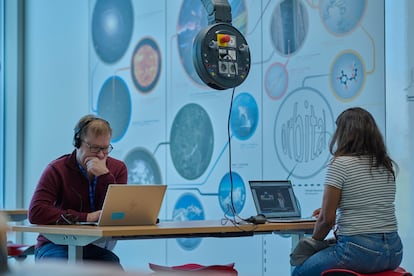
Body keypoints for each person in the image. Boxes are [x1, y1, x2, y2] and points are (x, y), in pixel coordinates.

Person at [292, 107, 403, 275]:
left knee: (300, 271)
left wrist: (313, 243)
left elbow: (326, 221)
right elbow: (370, 203)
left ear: (343, 134)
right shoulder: (385, 165)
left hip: (359, 252)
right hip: (394, 251)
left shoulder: (340, 164)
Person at [28, 114, 128, 267]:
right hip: (54, 244)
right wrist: (86, 217)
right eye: (95, 148)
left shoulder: (117, 169)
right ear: (77, 143)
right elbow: (36, 212)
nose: (101, 155)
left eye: (106, 148)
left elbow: (117, 212)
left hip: (92, 245)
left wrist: (105, 176)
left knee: (112, 265)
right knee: (66, 266)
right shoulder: (57, 169)